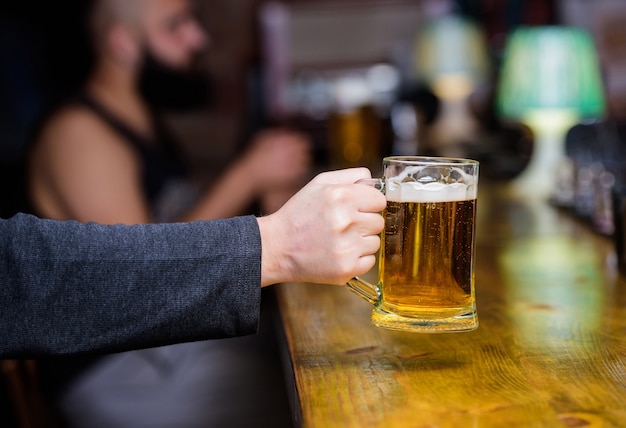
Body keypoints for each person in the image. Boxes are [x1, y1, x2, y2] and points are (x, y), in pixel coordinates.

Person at [2, 168, 385, 358]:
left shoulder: (146, 115)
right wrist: (277, 244)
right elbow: (30, 274)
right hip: (121, 364)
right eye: (175, 25)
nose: (198, 38)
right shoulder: (79, 133)